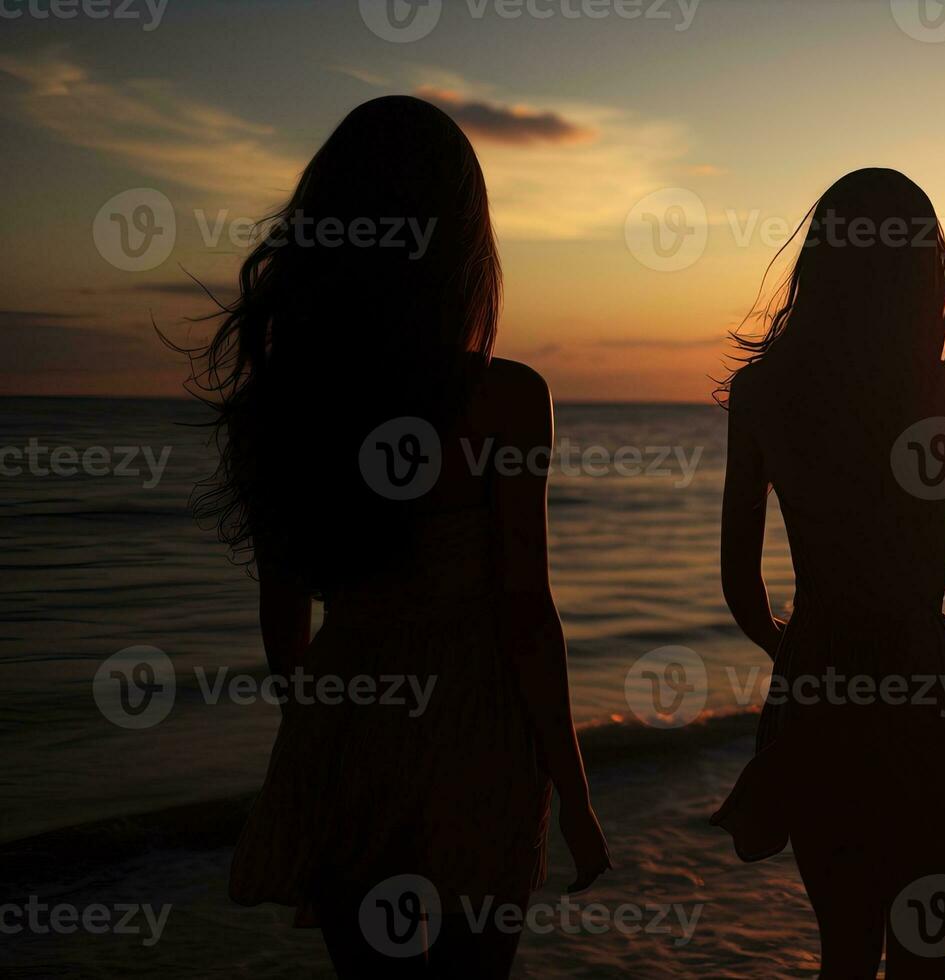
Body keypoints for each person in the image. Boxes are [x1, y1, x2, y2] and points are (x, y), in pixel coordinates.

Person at [182, 95, 609, 978]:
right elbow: (526, 611)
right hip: (480, 732)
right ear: (460, 242)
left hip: (348, 718)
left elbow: (283, 622)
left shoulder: (287, 405)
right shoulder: (506, 400)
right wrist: (573, 791)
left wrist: (326, 737)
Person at [711, 168, 945, 978]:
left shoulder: (764, 393)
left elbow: (739, 583)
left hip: (819, 686)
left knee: (843, 952)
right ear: (928, 276)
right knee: (924, 956)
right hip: (924, 692)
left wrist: (795, 651)